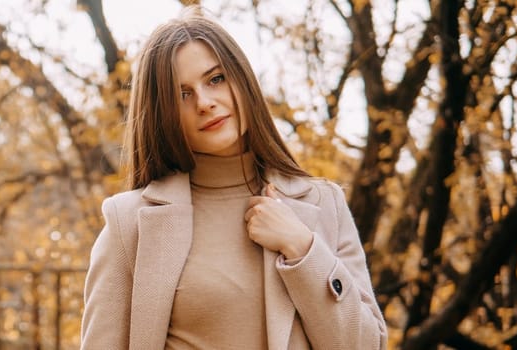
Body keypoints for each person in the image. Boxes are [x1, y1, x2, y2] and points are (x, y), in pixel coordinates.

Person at [80, 6, 387, 350]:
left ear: (241, 80)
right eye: (183, 94)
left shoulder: (322, 204)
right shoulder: (130, 223)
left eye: (215, 79)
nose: (205, 102)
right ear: (163, 113)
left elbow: (366, 345)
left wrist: (303, 249)